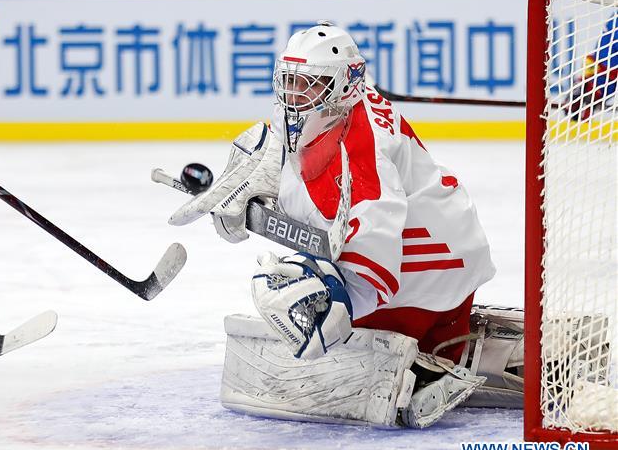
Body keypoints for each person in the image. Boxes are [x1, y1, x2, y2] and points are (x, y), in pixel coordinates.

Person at [169, 22, 521, 428]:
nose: (294, 96)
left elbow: (375, 264)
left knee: (292, 299)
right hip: (448, 265)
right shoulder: (332, 111)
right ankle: (451, 349)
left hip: (422, 284)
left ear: (343, 85)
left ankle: (421, 371)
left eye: (308, 85)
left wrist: (332, 300)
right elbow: (298, 160)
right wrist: (262, 180)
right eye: (290, 81)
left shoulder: (362, 150)